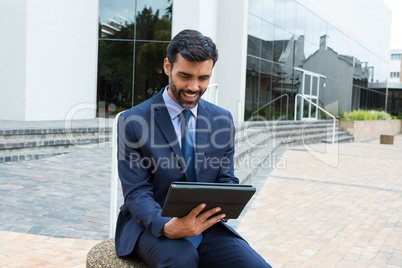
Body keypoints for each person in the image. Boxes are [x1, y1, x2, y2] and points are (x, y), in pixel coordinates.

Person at [115, 29, 271, 268]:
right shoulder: (133, 121)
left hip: (204, 225)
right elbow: (136, 192)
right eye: (185, 76)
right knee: (181, 260)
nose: (194, 87)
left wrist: (226, 201)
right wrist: (167, 225)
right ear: (168, 67)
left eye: (203, 78)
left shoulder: (222, 119)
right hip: (151, 226)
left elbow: (226, 178)